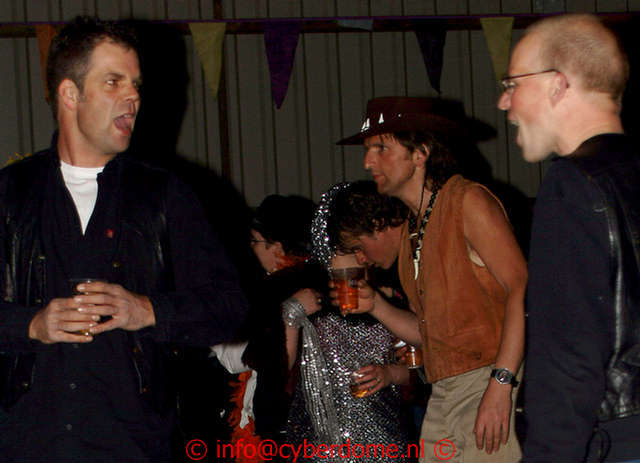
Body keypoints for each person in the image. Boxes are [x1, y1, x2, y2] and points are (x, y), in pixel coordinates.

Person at [0, 16, 248, 463]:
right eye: (113, 82)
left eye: (135, 84)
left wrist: (149, 310)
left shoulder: (166, 196)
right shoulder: (10, 194)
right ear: (70, 94)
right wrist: (31, 325)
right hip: (29, 446)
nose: (132, 96)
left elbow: (232, 308)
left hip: (136, 448)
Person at [336, 97, 528, 462]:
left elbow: (522, 288)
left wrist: (501, 383)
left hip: (487, 376)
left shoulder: (467, 201)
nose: (368, 162)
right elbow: (431, 334)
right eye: (367, 150)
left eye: (381, 148)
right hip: (444, 390)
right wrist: (375, 305)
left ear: (420, 153)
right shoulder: (414, 229)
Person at [498, 13, 640, 462]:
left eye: (512, 84)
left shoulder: (574, 185)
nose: (504, 103)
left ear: (557, 85)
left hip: (615, 441)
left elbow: (568, 361)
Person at [284, 183, 410, 461]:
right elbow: (279, 370)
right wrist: (291, 316)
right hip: (319, 446)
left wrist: (390, 374)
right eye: (351, 248)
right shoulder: (307, 295)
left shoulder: (390, 294)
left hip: (382, 441)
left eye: (359, 247)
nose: (361, 257)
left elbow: (425, 366)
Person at [212, 194, 325, 461]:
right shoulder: (316, 281)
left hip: (286, 424)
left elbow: (237, 358)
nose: (251, 249)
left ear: (278, 247)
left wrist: (208, 325)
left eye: (255, 241)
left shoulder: (274, 291)